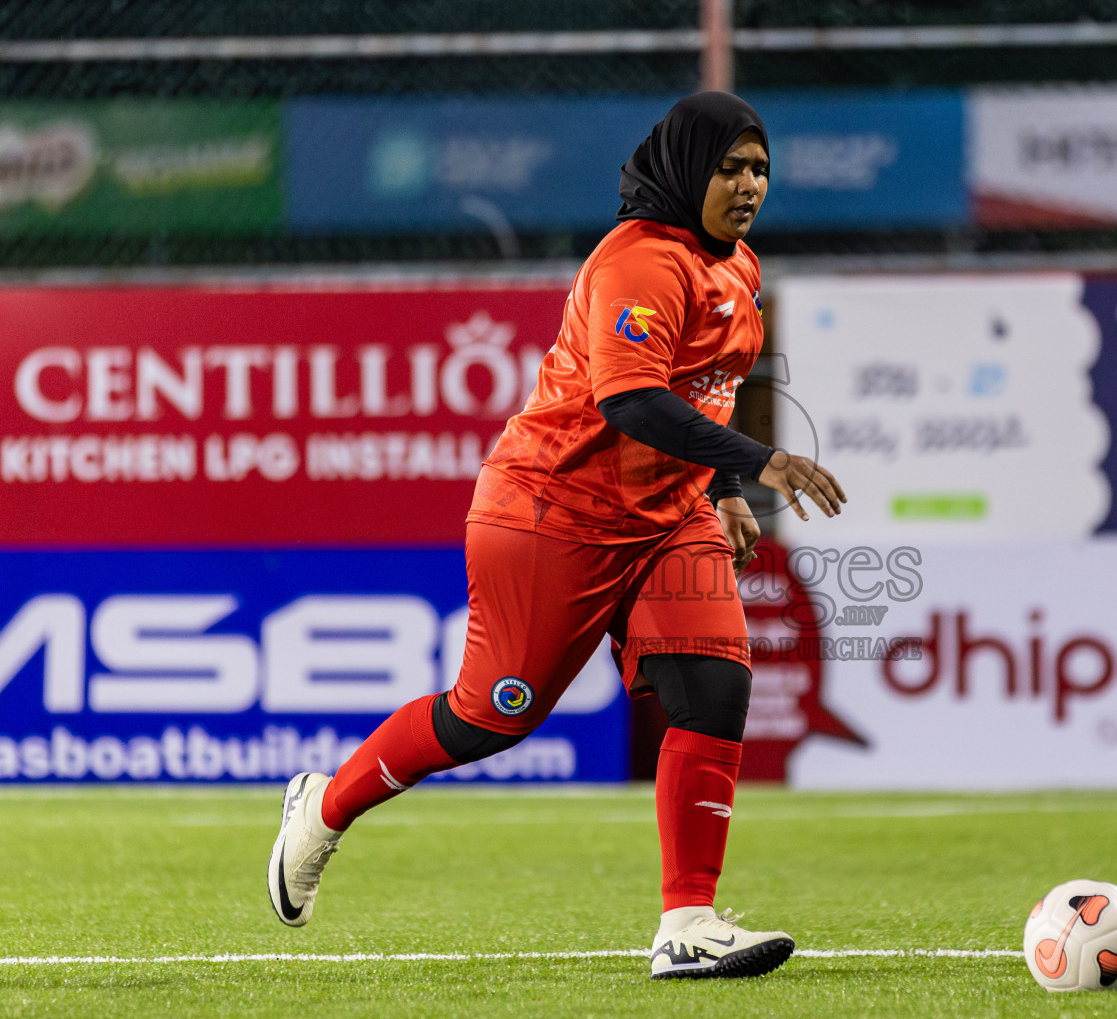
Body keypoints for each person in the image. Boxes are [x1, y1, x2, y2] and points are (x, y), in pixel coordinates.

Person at [265, 91, 846, 979]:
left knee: (715, 685)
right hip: (552, 510)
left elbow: (707, 384)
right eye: (730, 168)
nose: (749, 185)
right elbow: (631, 399)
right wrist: (762, 462)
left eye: (760, 169)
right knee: (490, 717)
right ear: (688, 169)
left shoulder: (737, 267)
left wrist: (725, 488)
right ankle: (324, 807)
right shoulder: (641, 262)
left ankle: (687, 923)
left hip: (667, 516)